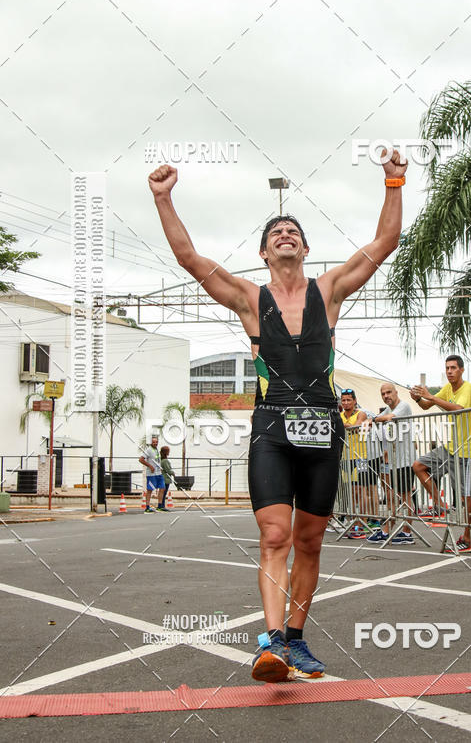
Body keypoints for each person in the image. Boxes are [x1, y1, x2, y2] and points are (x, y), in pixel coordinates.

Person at [148, 150, 407, 682]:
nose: (285, 235)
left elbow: (384, 243)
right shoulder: (249, 298)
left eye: (293, 231)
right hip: (271, 429)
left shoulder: (329, 290)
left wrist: (393, 182)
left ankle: (296, 638)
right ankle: (271, 644)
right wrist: (163, 197)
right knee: (274, 537)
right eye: (276, 233)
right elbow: (190, 259)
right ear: (264, 252)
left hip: (323, 429)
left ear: (304, 248)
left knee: (310, 541)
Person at [410, 356, 471, 553]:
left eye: (453, 368)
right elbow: (426, 406)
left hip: (467, 453)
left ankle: (468, 538)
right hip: (450, 448)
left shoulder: (467, 388)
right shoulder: (447, 388)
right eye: (447, 368)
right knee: (418, 466)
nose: (449, 371)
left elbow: (458, 409)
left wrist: (431, 396)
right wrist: (418, 398)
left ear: (461, 370)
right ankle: (441, 505)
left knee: (466, 497)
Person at [367, 383, 415, 545]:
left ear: (396, 392)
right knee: (392, 497)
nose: (386, 396)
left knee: (405, 496)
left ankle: (407, 532)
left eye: (389, 392)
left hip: (405, 459)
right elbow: (380, 418)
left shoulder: (403, 406)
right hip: (395, 461)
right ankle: (386, 530)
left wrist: (373, 419)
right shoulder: (388, 409)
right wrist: (371, 420)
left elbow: (388, 418)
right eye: (383, 394)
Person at [339, 389, 370, 534]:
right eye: (343, 400)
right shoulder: (339, 415)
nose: (346, 403)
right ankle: (352, 520)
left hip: (360, 456)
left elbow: (355, 426)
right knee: (349, 492)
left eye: (348, 400)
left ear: (355, 401)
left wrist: (342, 425)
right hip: (345, 457)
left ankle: (362, 521)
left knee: (361, 489)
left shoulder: (360, 413)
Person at [139, 434, 165, 513]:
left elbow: (157, 460)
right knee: (150, 490)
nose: (155, 443)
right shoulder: (148, 450)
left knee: (162, 488)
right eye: (154, 442)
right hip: (151, 474)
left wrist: (160, 468)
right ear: (151, 443)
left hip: (158, 473)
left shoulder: (156, 450)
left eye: (156, 442)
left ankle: (160, 506)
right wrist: (150, 466)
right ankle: (147, 507)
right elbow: (141, 459)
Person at [159, 445, 175, 511]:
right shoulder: (165, 461)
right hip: (165, 478)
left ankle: (161, 505)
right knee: (164, 493)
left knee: (162, 492)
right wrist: (173, 473)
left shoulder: (161, 460)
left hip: (162, 477)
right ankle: (162, 505)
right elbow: (168, 470)